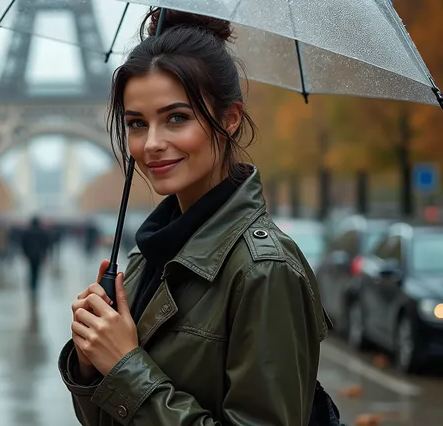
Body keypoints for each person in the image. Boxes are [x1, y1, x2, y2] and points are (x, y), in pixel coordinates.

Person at [58, 8, 339, 426]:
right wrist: (89, 361)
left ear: (230, 119)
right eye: (136, 123)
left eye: (177, 118)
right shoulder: (147, 259)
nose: (151, 143)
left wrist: (125, 367)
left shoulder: (264, 271)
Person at [20, 215, 50, 302]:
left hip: (30, 255)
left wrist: (25, 253)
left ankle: (32, 286)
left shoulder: (27, 232)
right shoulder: (42, 232)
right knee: (37, 271)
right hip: (38, 255)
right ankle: (35, 286)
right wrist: (44, 253)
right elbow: (46, 243)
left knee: (31, 270)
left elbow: (23, 243)